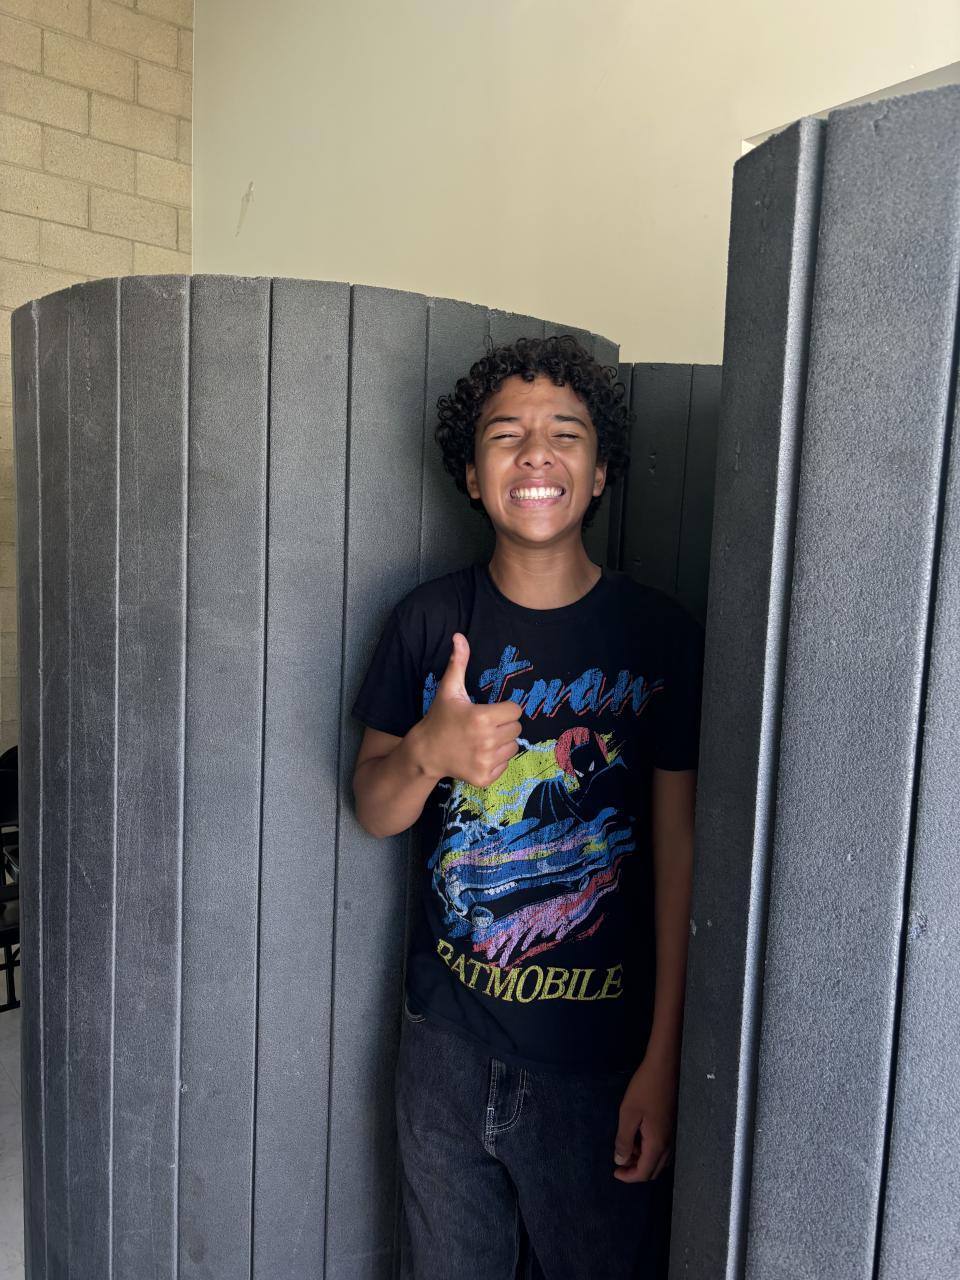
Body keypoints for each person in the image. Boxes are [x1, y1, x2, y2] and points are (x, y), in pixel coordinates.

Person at [351, 335, 703, 1280]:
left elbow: (679, 853)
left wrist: (663, 1059)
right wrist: (428, 751)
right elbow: (375, 807)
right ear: (472, 475)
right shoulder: (428, 621)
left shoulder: (662, 637)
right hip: (446, 1049)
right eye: (505, 434)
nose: (536, 451)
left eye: (566, 434)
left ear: (600, 473)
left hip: (604, 1061)